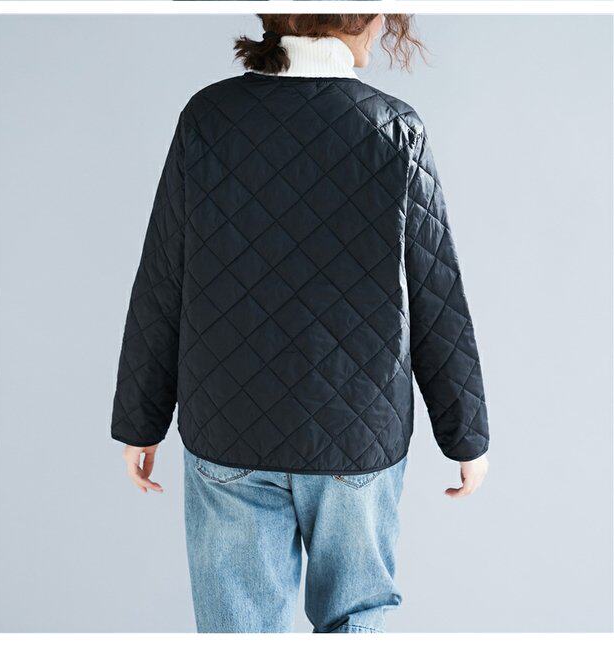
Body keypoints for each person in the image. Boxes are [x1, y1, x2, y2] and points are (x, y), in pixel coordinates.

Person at [111, 13, 490, 633]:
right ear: (357, 16)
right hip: (357, 436)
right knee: (354, 622)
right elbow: (436, 291)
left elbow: (162, 276)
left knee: (238, 634)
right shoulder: (394, 128)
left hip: (228, 427)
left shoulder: (208, 117)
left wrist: (140, 419)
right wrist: (465, 434)